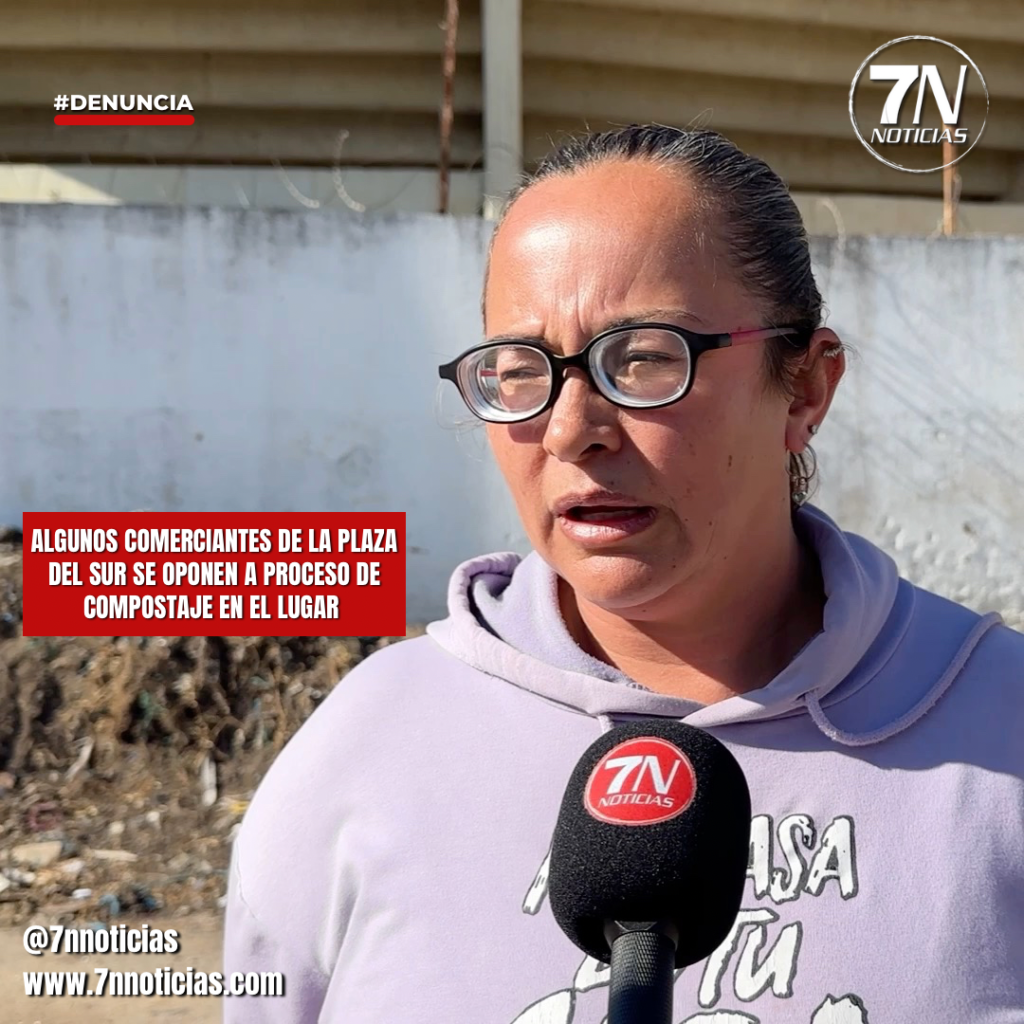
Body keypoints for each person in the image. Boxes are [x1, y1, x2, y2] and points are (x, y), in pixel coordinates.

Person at [223, 125, 1024, 1023]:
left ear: (804, 387)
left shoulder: (1000, 728)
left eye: (644, 358)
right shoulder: (366, 748)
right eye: (519, 371)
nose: (571, 431)